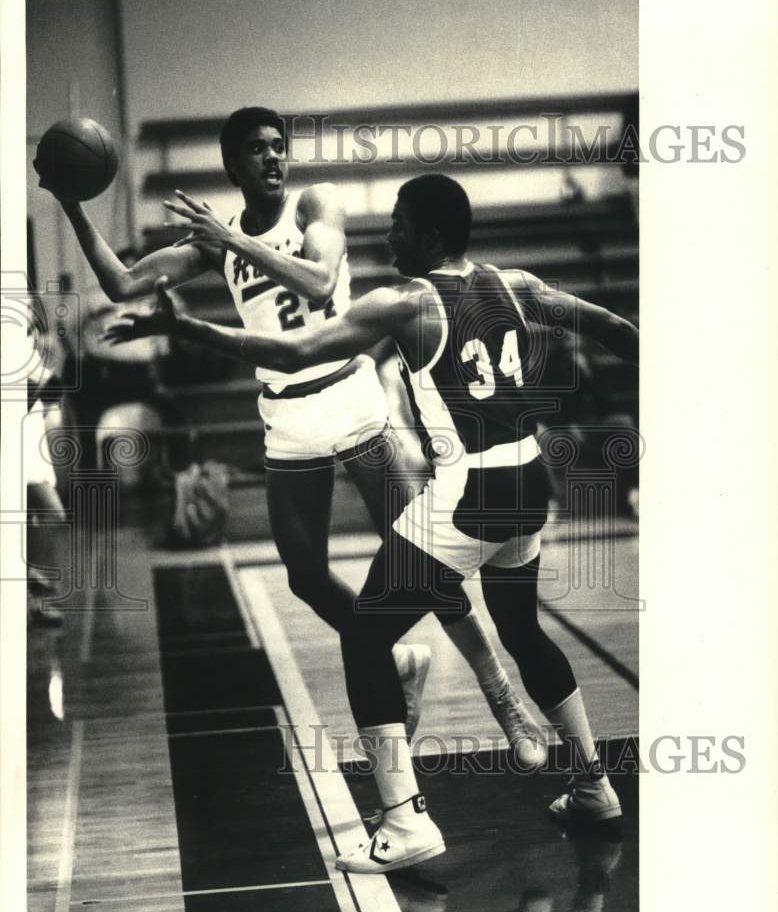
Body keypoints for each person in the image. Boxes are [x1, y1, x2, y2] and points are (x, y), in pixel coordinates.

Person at [106, 173, 639, 874]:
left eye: (398, 223)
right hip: (531, 485)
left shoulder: (407, 302)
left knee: (364, 635)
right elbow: (615, 328)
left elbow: (295, 353)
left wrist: (186, 326)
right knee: (523, 630)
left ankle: (404, 820)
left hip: (472, 494)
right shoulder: (518, 284)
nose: (388, 236)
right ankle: (593, 785)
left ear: (430, 234)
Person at [43, 107, 542, 751]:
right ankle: (394, 660)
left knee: (431, 570)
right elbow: (121, 282)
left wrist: (232, 244)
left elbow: (319, 278)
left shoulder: (315, 204)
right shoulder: (216, 239)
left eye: (280, 146)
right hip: (287, 415)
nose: (274, 158)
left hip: (352, 400)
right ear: (233, 165)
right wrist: (70, 202)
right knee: (305, 575)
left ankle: (503, 698)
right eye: (258, 149)